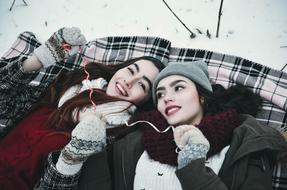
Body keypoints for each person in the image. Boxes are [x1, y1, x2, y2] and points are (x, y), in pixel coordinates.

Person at [39, 60, 286, 190]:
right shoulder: (136, 140)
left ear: (202, 95)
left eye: (179, 88)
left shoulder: (242, 143)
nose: (167, 97)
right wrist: (96, 153)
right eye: (160, 93)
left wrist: (192, 166)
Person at [0, 27, 165, 190]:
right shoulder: (71, 85)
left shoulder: (115, 139)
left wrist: (73, 158)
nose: (129, 81)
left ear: (145, 102)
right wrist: (35, 61)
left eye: (142, 85)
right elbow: (4, 104)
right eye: (130, 71)